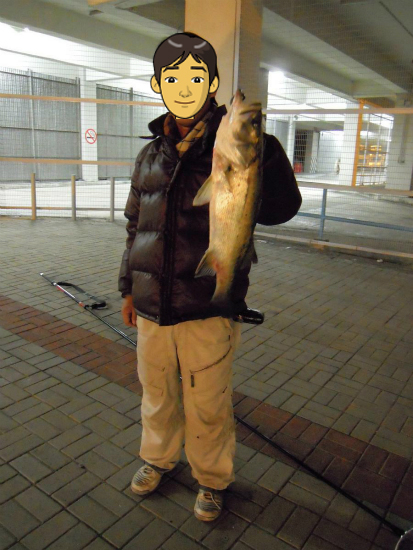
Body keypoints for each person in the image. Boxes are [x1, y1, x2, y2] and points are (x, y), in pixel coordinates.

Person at [119, 32, 302, 522]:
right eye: (173, 77)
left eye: (196, 77)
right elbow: (136, 228)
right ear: (158, 84)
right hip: (152, 304)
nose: (184, 86)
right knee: (158, 394)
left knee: (208, 402)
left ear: (213, 84)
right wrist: (128, 290)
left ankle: (212, 479)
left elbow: (282, 209)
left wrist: (263, 153)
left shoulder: (236, 151)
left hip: (206, 302)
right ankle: (158, 458)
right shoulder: (149, 156)